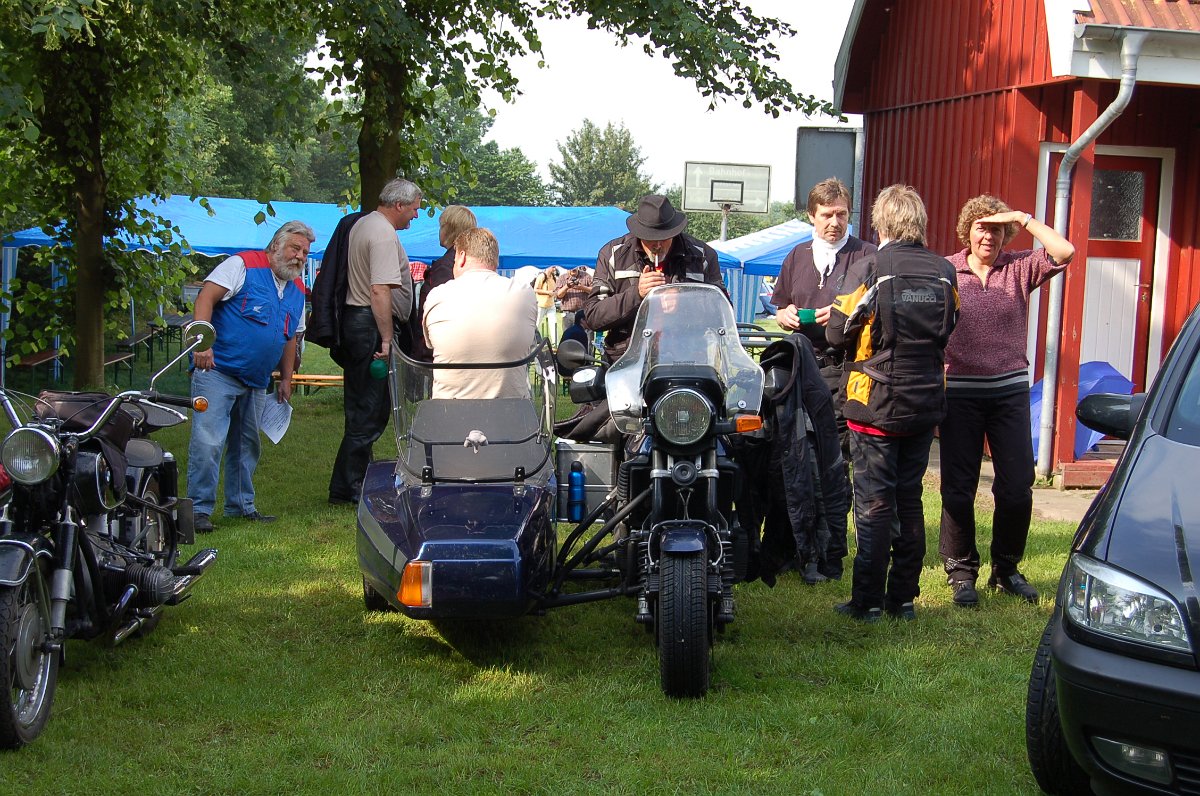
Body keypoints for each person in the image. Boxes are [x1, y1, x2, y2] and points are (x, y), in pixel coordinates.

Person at [826, 185, 959, 622]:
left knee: (873, 503)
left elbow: (837, 330)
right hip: (925, 402)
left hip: (876, 404)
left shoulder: (871, 267)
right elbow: (950, 324)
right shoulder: (944, 271)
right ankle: (902, 599)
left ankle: (865, 601)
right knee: (910, 498)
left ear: (881, 222)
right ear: (918, 222)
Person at [938, 195, 1075, 607]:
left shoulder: (1019, 267)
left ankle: (1006, 568)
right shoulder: (947, 269)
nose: (989, 236)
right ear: (968, 231)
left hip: (1009, 393)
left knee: (1016, 488)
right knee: (958, 489)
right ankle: (961, 572)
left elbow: (1065, 251)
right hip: (959, 393)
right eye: (982, 227)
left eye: (997, 229)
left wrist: (1023, 218)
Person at [771, 176, 876, 579]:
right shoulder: (796, 256)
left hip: (845, 367)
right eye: (827, 215)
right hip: (800, 366)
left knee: (837, 464)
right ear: (811, 216)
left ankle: (836, 550)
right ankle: (801, 548)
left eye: (842, 215)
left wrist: (849, 317)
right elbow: (780, 303)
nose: (835, 222)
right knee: (801, 460)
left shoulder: (865, 255)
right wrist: (783, 314)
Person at [188, 220, 315, 532]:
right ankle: (198, 511)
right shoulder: (242, 265)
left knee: (247, 445)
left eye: (304, 252)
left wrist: (286, 379)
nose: (299, 256)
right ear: (275, 246)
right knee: (208, 441)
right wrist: (202, 342)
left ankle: (241, 507)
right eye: (294, 248)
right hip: (217, 371)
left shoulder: (297, 290)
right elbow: (205, 297)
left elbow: (290, 337)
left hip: (257, 381)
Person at [328, 178, 422, 505]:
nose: (415, 215)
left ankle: (353, 480)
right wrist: (385, 339)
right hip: (370, 325)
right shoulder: (382, 233)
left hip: (360, 323)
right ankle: (349, 485)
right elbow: (380, 290)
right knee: (369, 410)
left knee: (362, 407)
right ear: (398, 205)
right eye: (414, 208)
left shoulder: (365, 224)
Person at [582, 194, 724, 363]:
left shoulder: (702, 255)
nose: (657, 245)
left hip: (687, 360)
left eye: (664, 237)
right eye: (650, 238)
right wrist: (636, 294)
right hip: (627, 360)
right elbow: (593, 316)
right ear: (639, 232)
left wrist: (686, 301)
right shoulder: (613, 254)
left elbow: (723, 310)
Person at [423, 228, 537, 399]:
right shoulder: (524, 293)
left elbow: (431, 344)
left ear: (461, 257)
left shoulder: (437, 295)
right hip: (513, 413)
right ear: (495, 261)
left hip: (448, 414)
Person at [409, 205, 477, 362]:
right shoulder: (472, 261)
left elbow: (440, 312)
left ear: (449, 229)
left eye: (441, 226)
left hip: (438, 356)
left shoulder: (446, 266)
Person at [554, 265, 593, 330]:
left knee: (586, 338)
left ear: (578, 266)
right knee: (568, 338)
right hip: (568, 314)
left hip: (584, 314)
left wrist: (582, 287)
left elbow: (594, 291)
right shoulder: (562, 278)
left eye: (574, 267)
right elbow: (558, 295)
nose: (573, 269)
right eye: (571, 268)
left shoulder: (587, 276)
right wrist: (567, 286)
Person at [533, 266, 561, 341]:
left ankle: (555, 343)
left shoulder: (553, 277)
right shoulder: (542, 276)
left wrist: (555, 293)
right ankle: (531, 341)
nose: (554, 269)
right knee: (536, 324)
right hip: (540, 305)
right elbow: (535, 289)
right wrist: (548, 292)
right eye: (553, 267)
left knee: (553, 324)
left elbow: (555, 289)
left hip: (551, 305)